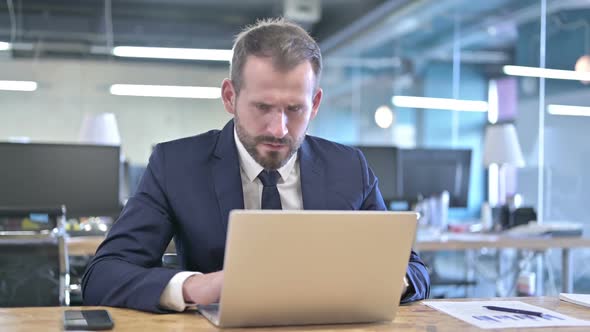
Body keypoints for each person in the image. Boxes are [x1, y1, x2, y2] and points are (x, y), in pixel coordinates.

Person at [82, 18, 430, 313]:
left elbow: (415, 270)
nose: (278, 130)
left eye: (295, 109)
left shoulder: (349, 167)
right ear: (230, 97)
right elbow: (103, 274)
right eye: (262, 107)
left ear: (316, 103)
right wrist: (195, 287)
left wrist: (387, 282)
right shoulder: (176, 165)